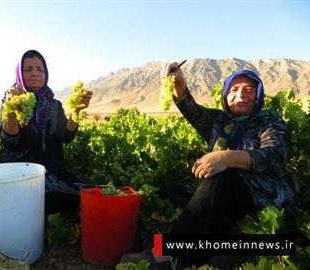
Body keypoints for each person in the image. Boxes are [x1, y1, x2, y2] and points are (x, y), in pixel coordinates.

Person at [122, 64, 299, 268]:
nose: (240, 95)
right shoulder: (219, 120)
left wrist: (225, 158)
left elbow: (272, 155)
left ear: (258, 96)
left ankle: (167, 255)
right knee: (170, 192)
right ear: (225, 95)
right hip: (227, 201)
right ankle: (217, 248)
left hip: (262, 200)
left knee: (220, 177)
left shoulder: (270, 122)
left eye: (249, 90)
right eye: (234, 90)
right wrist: (178, 81)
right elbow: (191, 108)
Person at [0, 49, 92, 216]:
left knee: (88, 192)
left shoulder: (55, 105)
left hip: (53, 172)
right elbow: (10, 142)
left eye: (40, 69)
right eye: (28, 69)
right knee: (46, 200)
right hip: (21, 176)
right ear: (19, 74)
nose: (35, 73)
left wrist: (76, 111)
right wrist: (11, 109)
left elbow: (66, 136)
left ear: (46, 74)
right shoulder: (11, 100)